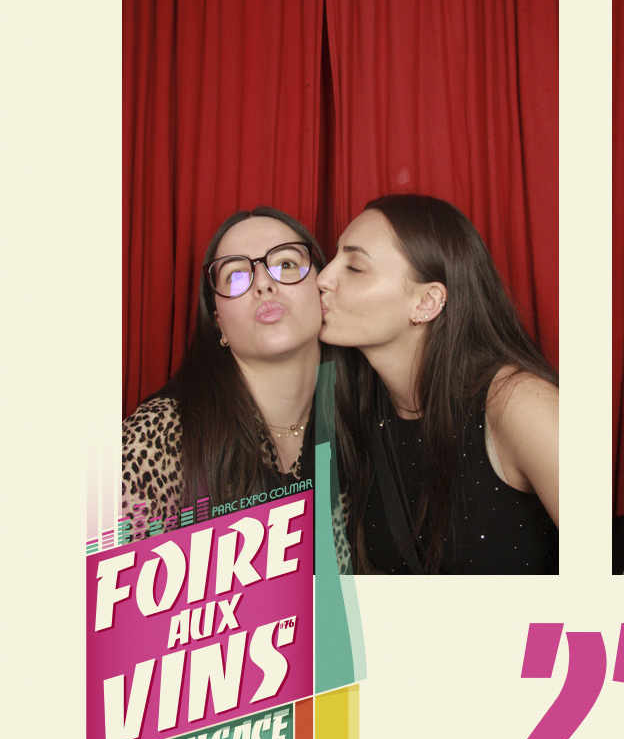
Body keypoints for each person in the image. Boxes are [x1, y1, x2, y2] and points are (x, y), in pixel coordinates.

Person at [318, 194, 559, 574]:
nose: (322, 279)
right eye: (334, 258)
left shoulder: (520, 403)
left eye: (355, 267)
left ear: (426, 302)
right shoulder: (356, 400)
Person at [121, 209, 327, 539]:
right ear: (219, 322)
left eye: (286, 264)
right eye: (237, 276)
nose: (263, 284)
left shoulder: (359, 414)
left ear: (324, 288)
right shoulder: (159, 434)